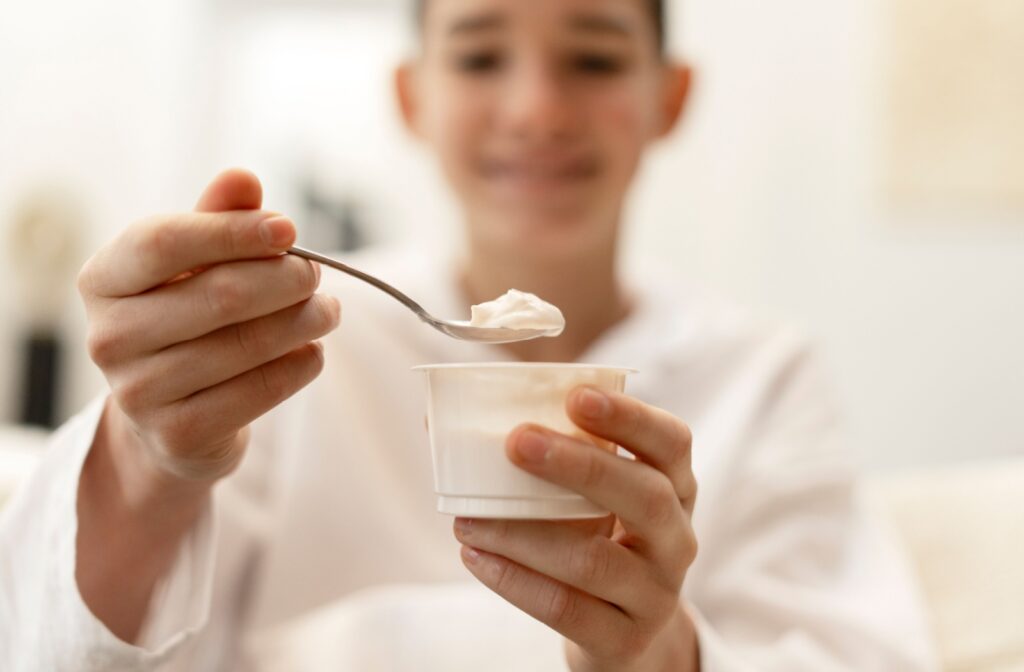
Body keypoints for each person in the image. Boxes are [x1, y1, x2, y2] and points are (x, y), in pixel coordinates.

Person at [0, 0, 938, 670]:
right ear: (413, 96)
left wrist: (659, 653)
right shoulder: (293, 342)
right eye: (482, 56)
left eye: (596, 58)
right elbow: (61, 648)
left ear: (671, 96)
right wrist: (147, 453)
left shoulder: (763, 376)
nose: (535, 110)